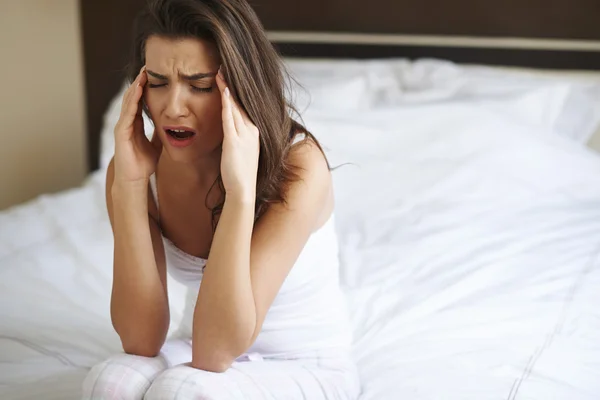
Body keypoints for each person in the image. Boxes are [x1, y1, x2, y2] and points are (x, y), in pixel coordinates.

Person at [81, 0, 360, 398]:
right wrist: (128, 186)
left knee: (184, 392)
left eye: (200, 86)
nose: (173, 109)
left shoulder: (299, 168)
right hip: (201, 342)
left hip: (302, 361)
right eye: (158, 83)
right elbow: (141, 341)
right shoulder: (137, 169)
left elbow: (216, 351)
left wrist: (241, 191)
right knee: (110, 382)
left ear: (240, 88)